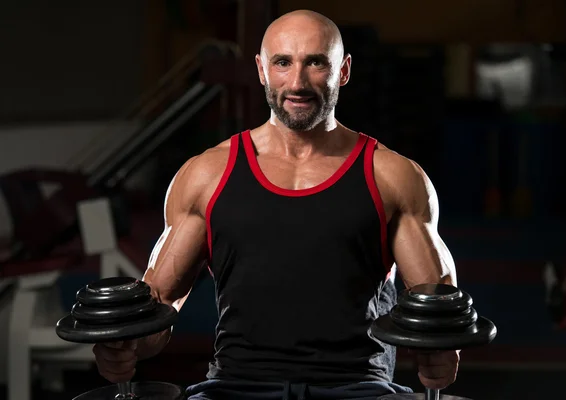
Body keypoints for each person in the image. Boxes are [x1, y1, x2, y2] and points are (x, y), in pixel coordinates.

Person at [92, 9, 459, 400]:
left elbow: (437, 304)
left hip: (357, 387)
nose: (297, 82)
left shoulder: (392, 176)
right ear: (262, 70)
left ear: (344, 70)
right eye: (283, 62)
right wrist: (126, 346)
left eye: (316, 63)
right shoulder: (206, 175)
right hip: (235, 386)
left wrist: (441, 351)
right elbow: (160, 304)